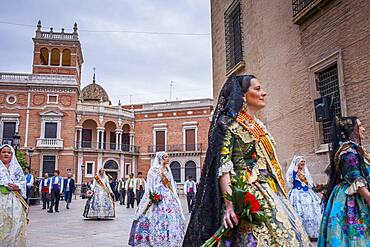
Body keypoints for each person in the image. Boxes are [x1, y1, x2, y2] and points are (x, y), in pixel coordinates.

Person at [184, 75, 310, 246]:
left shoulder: (258, 124)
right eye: (257, 89)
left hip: (268, 190)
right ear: (243, 95)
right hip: (246, 192)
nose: (263, 93)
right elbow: (224, 166)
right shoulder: (228, 124)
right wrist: (229, 205)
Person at [318, 117, 369, 246]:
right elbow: (356, 180)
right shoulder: (348, 153)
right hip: (354, 199)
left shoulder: (356, 149)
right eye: (360, 126)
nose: (363, 129)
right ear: (352, 131)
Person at [128, 152, 185, 246]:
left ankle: (170, 239)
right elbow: (150, 186)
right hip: (158, 195)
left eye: (167, 157)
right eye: (166, 157)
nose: (168, 158)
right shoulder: (153, 170)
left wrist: (175, 197)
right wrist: (153, 197)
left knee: (172, 217)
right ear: (160, 158)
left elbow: (171, 184)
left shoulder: (168, 169)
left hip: (169, 196)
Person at [286, 155, 322, 240]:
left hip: (307, 193)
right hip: (297, 194)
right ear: (297, 163)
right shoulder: (293, 171)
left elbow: (309, 183)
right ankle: (302, 234)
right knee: (299, 211)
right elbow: (290, 181)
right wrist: (294, 172)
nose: (303, 163)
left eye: (304, 161)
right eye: (301, 161)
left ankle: (313, 233)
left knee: (312, 211)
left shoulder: (305, 171)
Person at [0, 144, 28, 247]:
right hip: (1, 199)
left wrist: (17, 186)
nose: (6, 154)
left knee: (16, 224)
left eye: (9, 152)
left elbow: (23, 182)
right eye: (4, 152)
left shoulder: (16, 168)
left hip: (14, 200)